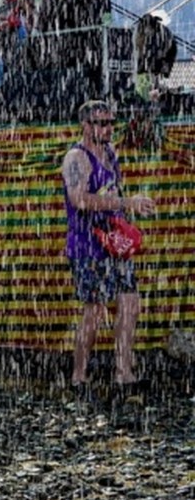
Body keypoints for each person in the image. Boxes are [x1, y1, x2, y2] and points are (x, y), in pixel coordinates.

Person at [61, 100, 156, 396]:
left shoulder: (110, 153)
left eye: (111, 121)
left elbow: (112, 193)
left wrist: (128, 216)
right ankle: (79, 376)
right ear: (85, 126)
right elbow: (80, 200)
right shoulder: (76, 158)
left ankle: (123, 373)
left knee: (129, 303)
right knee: (95, 310)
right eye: (101, 123)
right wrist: (124, 203)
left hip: (113, 242)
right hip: (88, 246)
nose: (108, 128)